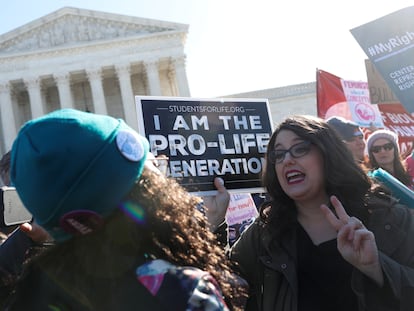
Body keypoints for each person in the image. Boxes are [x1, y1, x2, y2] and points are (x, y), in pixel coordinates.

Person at [4, 109, 246, 310]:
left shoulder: (30, 293)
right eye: (153, 167)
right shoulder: (182, 291)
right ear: (142, 192)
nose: (166, 178)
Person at [211, 115, 414, 310]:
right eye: (279, 154)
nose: (287, 160)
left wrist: (376, 267)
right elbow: (217, 290)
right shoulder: (264, 233)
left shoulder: (392, 218)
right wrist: (213, 225)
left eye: (300, 149)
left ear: (329, 154)